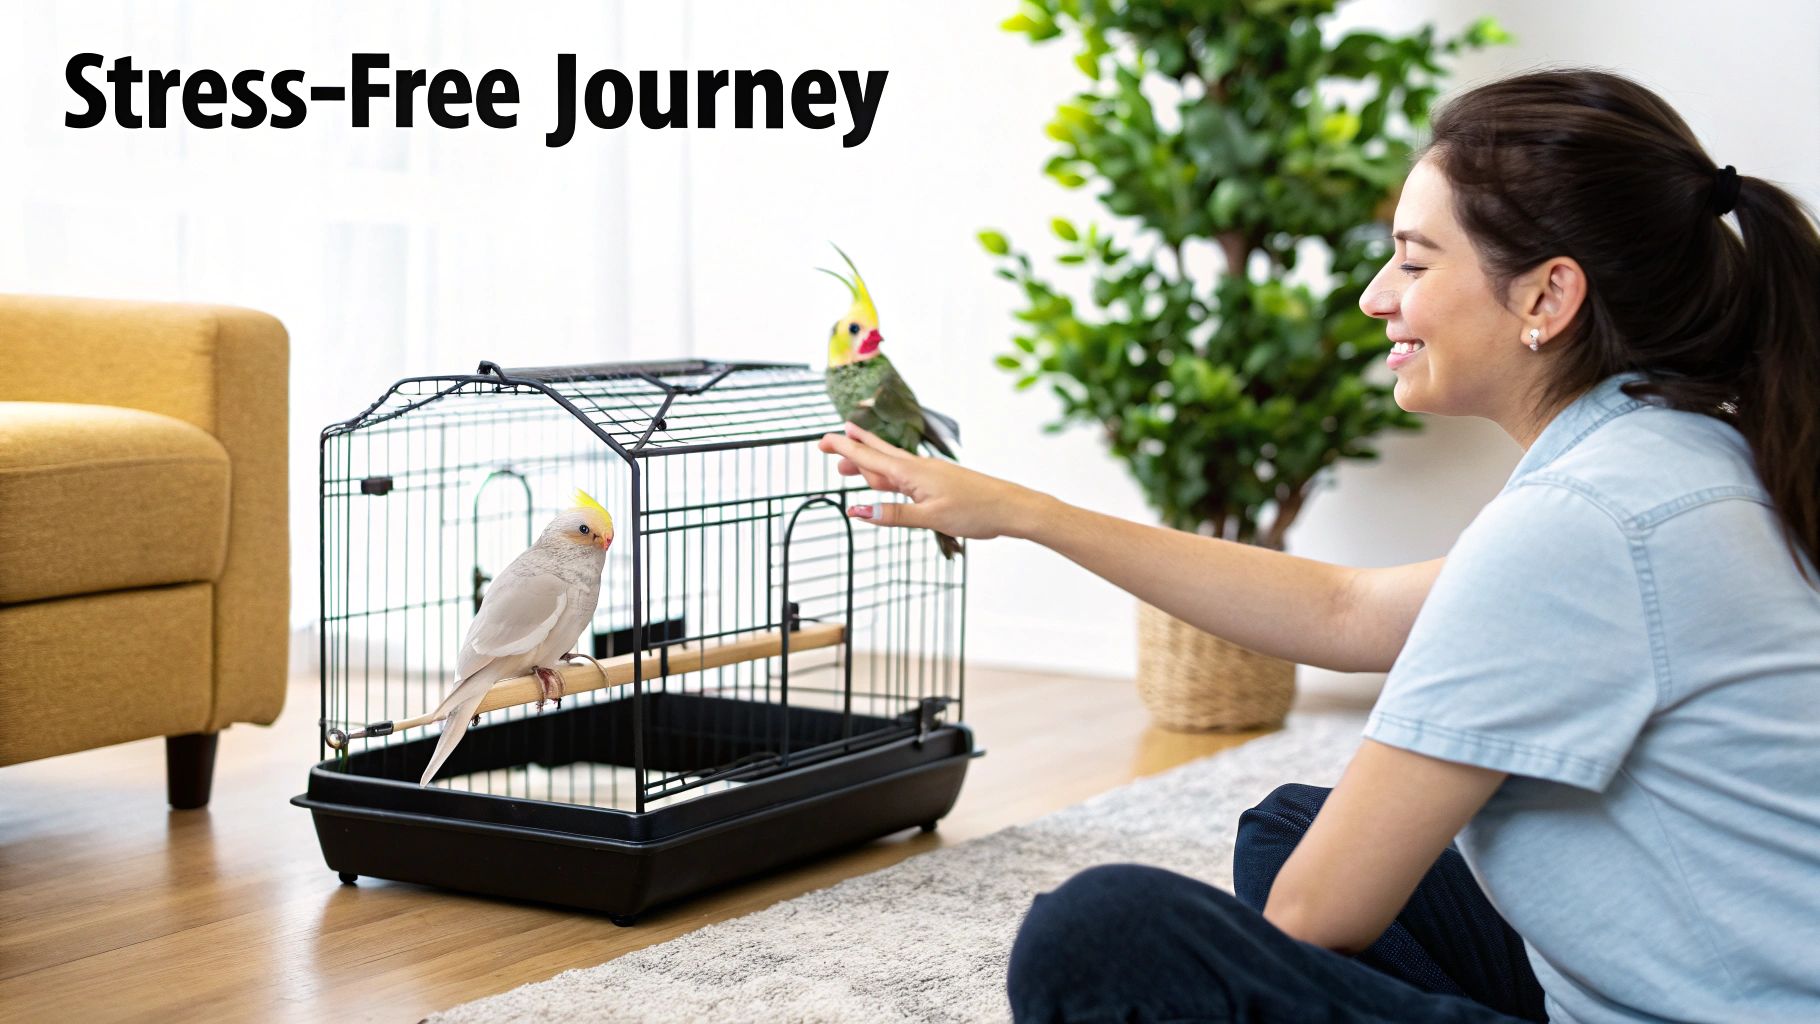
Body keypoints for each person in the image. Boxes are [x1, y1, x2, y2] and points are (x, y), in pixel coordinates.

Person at [818, 68, 1820, 1023]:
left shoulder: (1579, 525)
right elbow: (1347, 611)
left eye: (1413, 261)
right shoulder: (1686, 450)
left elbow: (1311, 915)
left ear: (1546, 299)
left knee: (1097, 939)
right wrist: (1022, 511)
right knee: (1287, 823)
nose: (1375, 296)